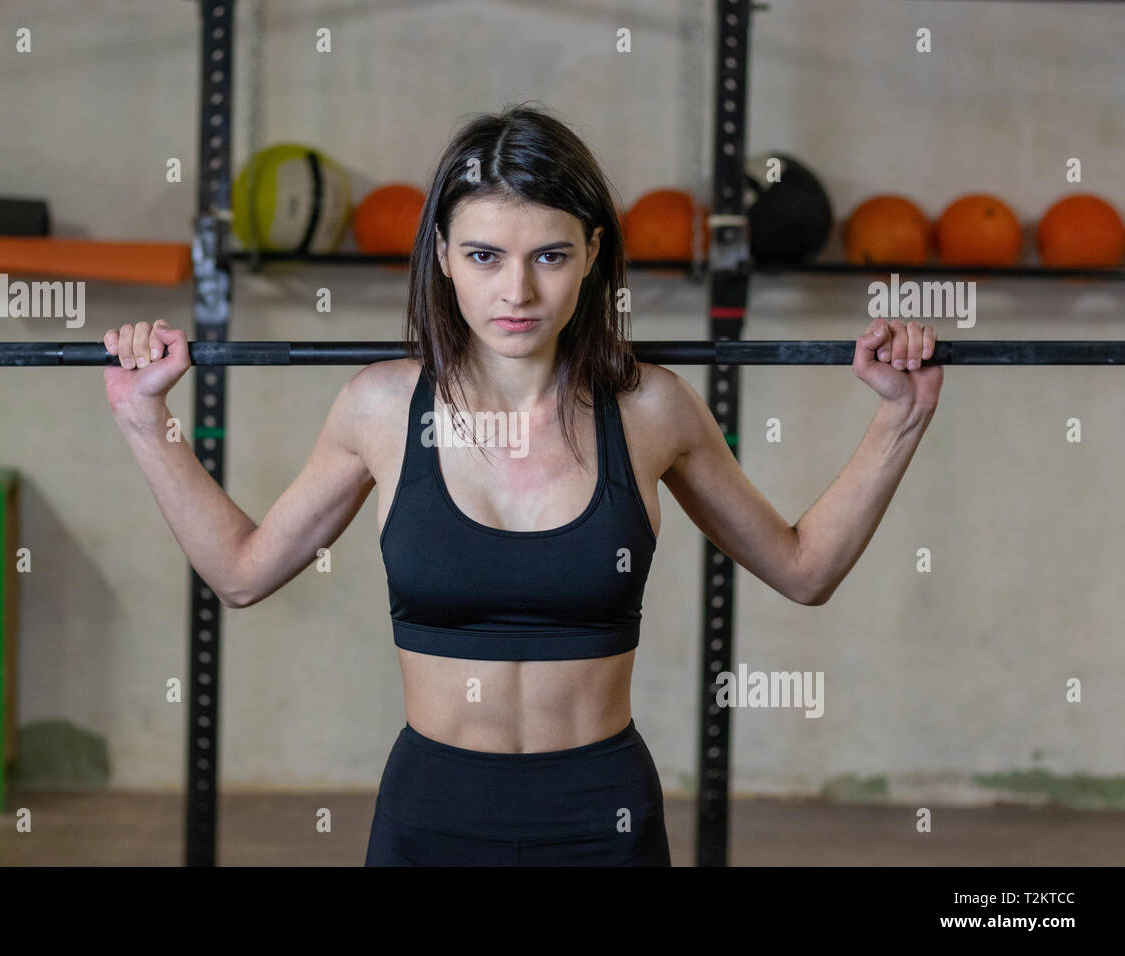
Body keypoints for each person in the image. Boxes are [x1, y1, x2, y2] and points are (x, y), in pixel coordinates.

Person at [102, 102, 943, 866]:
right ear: (441, 254)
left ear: (592, 256)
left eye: (549, 254)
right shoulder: (381, 408)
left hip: (601, 819)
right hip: (431, 817)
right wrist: (147, 421)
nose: (517, 291)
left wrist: (898, 419)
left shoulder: (651, 410)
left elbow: (803, 569)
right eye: (483, 255)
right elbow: (243, 573)